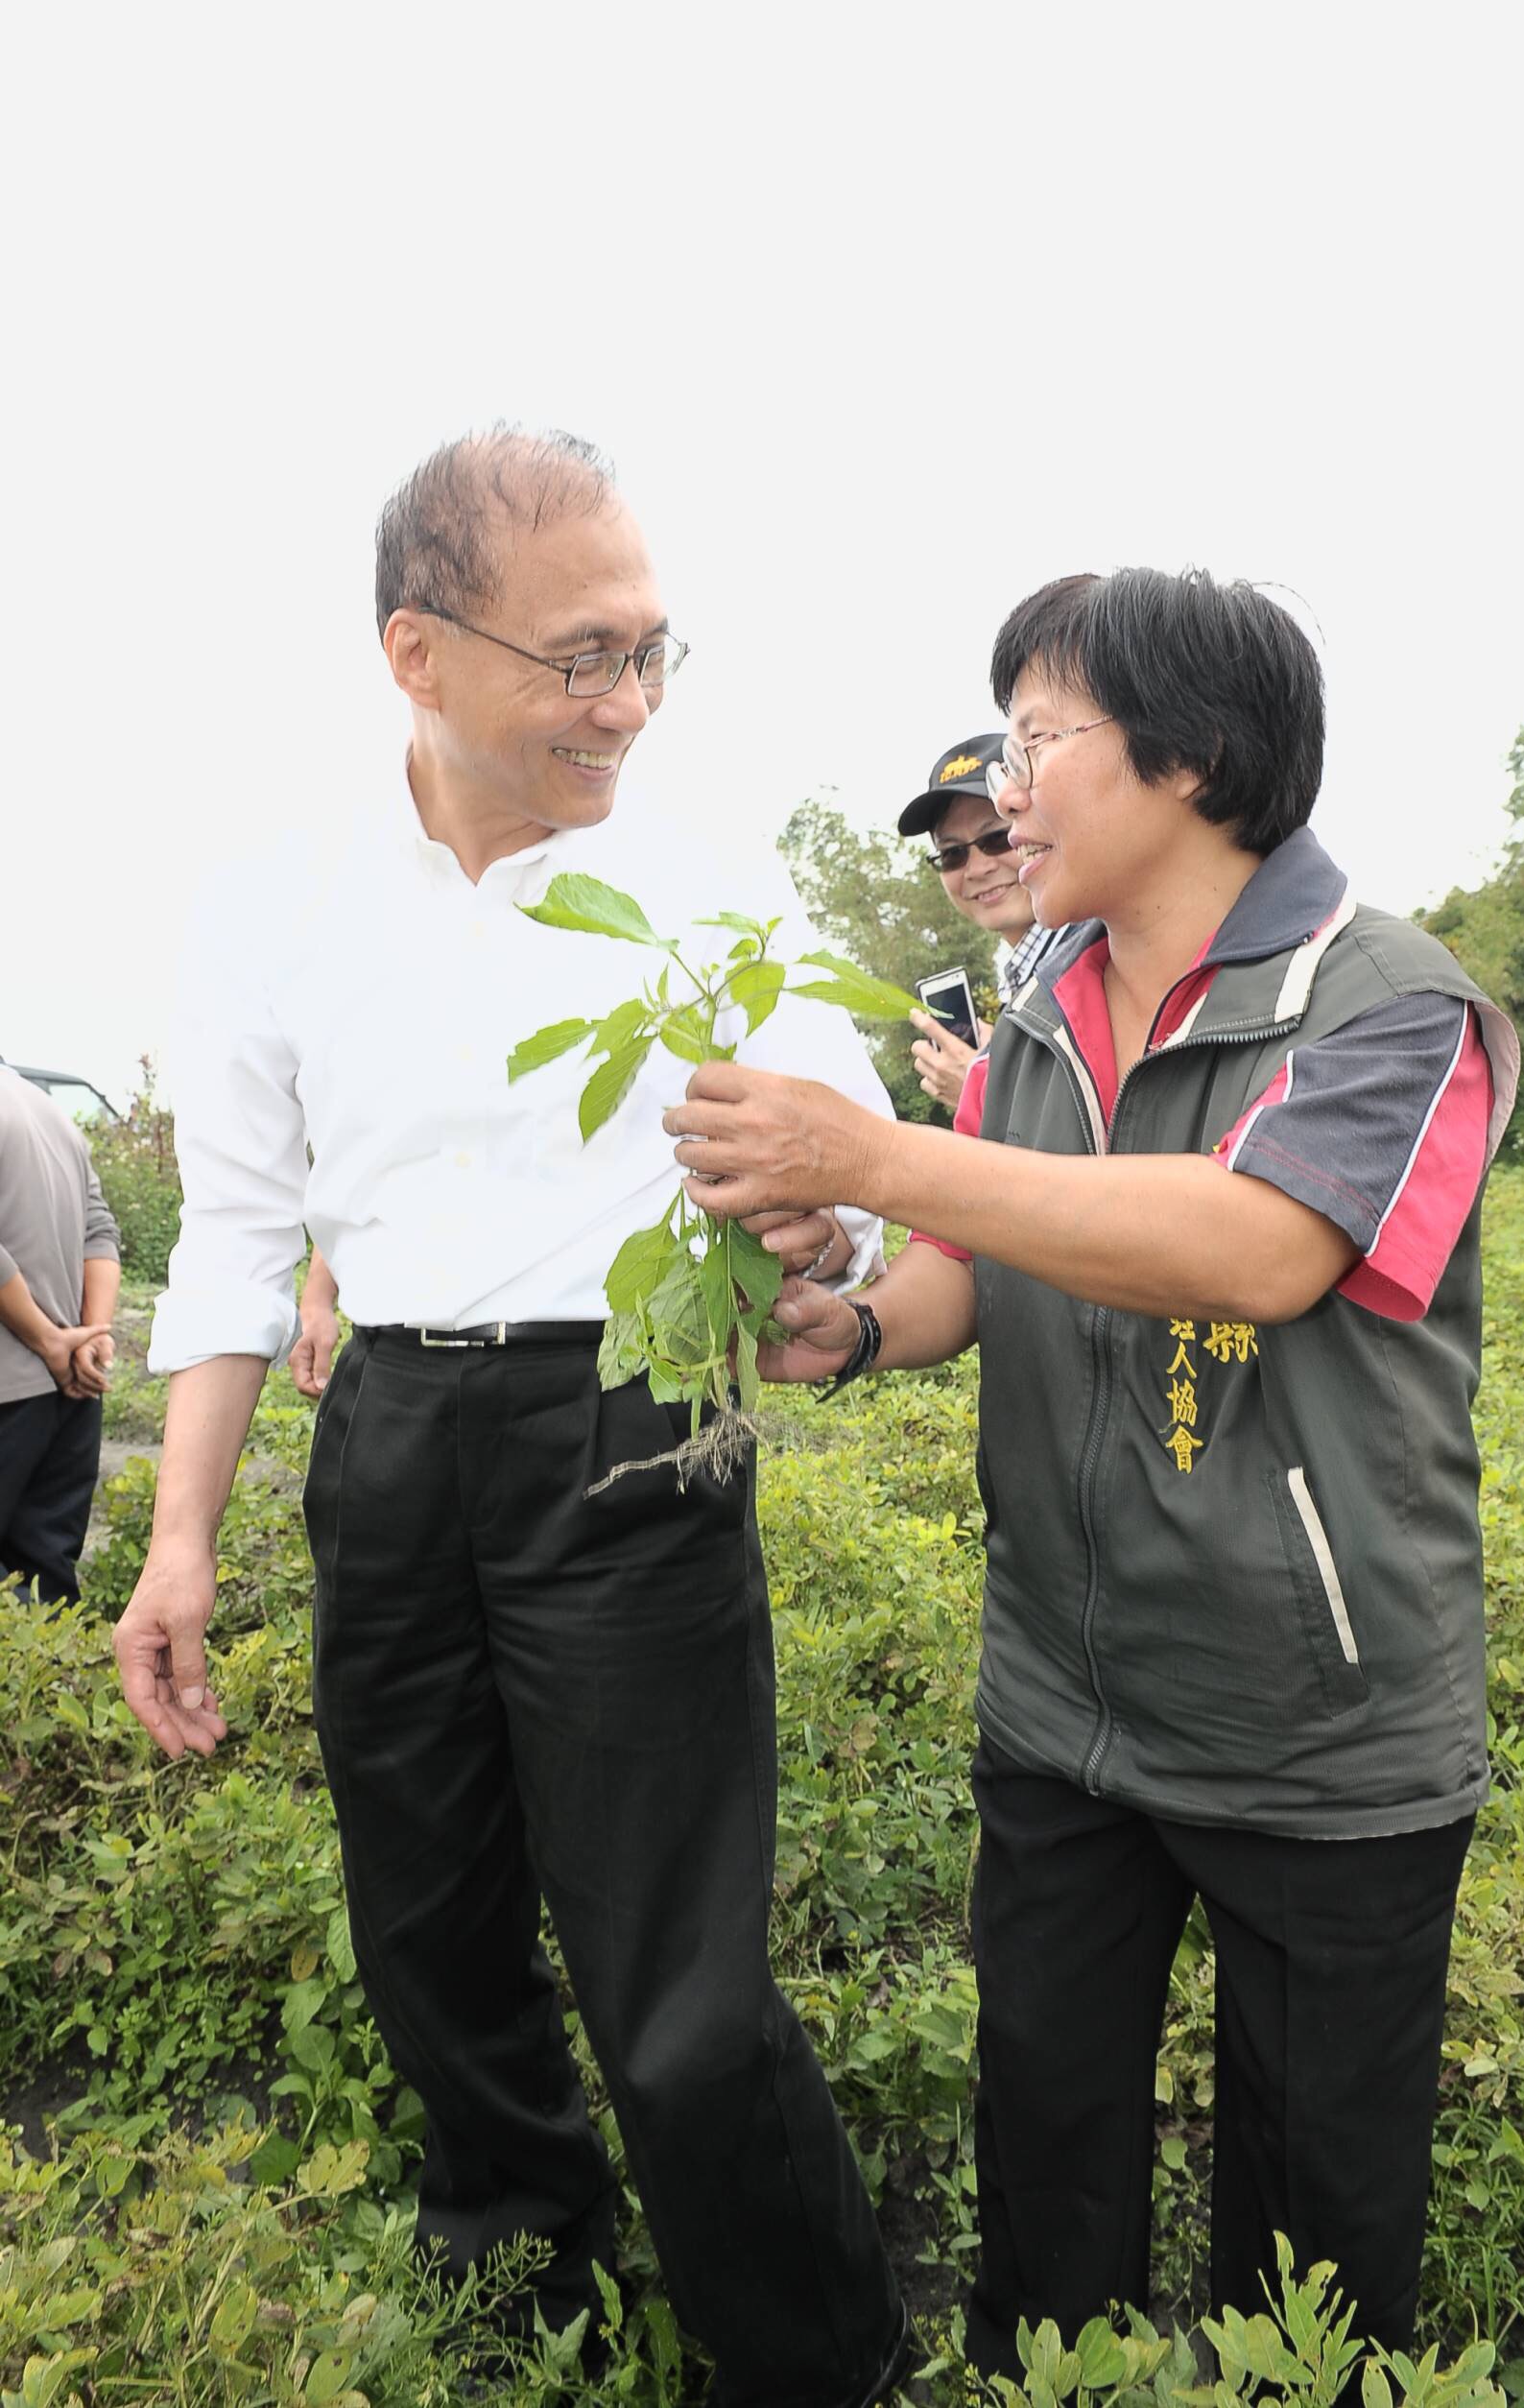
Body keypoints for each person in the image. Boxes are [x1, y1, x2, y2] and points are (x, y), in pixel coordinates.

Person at [113, 429, 911, 2407]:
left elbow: (846, 1141)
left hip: (624, 1427)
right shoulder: (274, 900)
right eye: (579, 656)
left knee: (679, 1994)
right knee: (430, 1920)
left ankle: (810, 2358)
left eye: (650, 651)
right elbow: (233, 1234)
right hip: (384, 1434)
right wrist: (181, 1534)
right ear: (416, 649)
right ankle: (527, 2285)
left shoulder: (700, 882)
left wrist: (822, 1199)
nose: (623, 703)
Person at [663, 567, 1519, 2378]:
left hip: (1319, 1719)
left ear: (1195, 758)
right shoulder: (1046, 991)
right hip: (1065, 1697)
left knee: (1315, 2234)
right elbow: (986, 1255)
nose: (1010, 782)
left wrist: (876, 1153)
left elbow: (1256, 1245)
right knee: (1047, 2151)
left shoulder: (1392, 1000)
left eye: (1046, 733)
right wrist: (866, 1320)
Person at [1, 1064, 120, 1605]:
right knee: (44, 1587)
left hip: (14, 1379)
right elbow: (100, 1229)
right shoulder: (47, 1110)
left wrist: (49, 1339)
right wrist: (91, 1334)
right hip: (67, 1390)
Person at [900, 734, 1056, 1110]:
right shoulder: (1024, 979)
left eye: (997, 838)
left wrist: (980, 1092)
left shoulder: (1096, 960)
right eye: (952, 854)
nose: (977, 868)